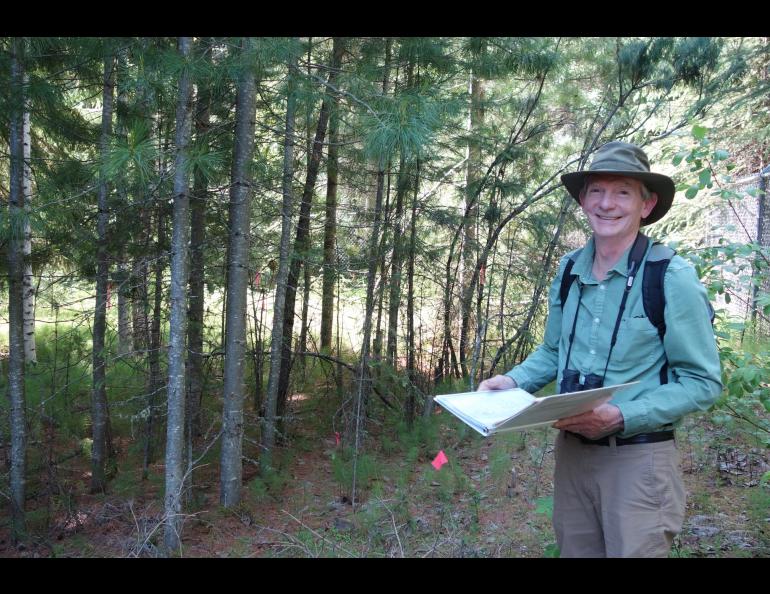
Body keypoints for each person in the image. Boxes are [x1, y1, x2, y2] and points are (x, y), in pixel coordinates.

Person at [478, 141, 722, 558]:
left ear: (647, 205)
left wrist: (623, 414)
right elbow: (554, 352)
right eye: (596, 191)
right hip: (572, 456)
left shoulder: (671, 276)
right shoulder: (570, 268)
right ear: (583, 200)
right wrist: (513, 380)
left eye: (623, 191)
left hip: (638, 461)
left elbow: (702, 383)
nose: (607, 204)